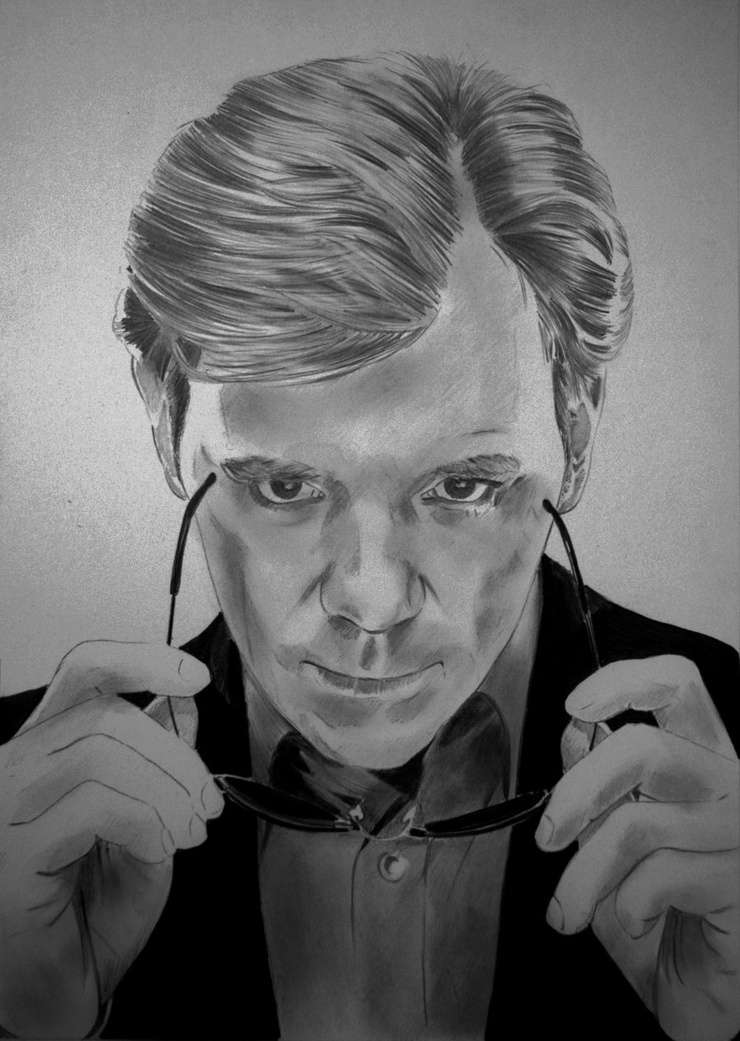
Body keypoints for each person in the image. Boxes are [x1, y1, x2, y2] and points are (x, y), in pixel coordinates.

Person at [0, 53, 737, 1041]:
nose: (374, 602)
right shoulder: (17, 823)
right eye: (284, 487)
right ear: (165, 415)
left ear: (577, 423)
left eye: (463, 486)